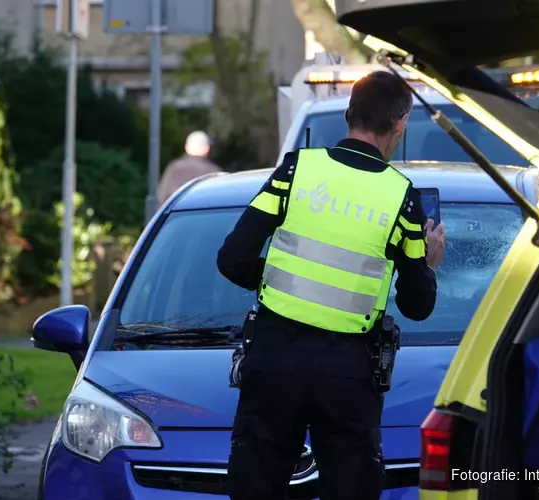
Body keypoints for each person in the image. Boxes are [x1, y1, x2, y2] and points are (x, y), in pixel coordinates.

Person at [216, 70, 447, 500]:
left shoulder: (296, 170)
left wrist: (279, 287)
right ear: (399, 124)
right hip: (348, 371)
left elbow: (232, 258)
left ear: (348, 113)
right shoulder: (403, 199)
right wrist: (428, 263)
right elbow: (417, 305)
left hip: (274, 359)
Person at [157, 130, 223, 205]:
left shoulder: (173, 169)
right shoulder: (214, 172)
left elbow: (162, 197)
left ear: (186, 147)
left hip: (179, 216)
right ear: (207, 149)